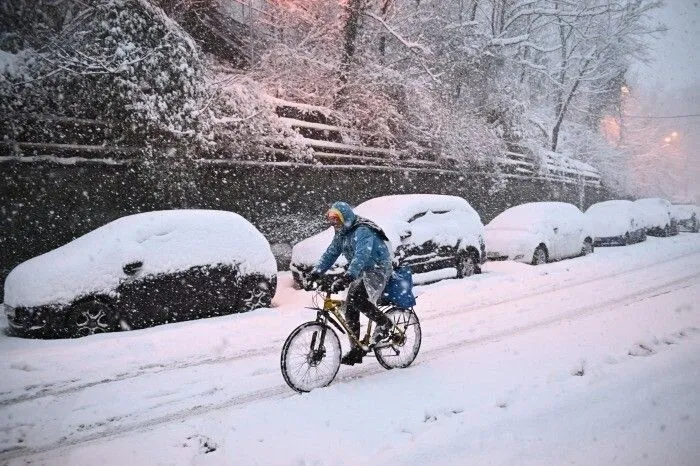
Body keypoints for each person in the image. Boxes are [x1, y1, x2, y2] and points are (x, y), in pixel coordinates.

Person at [308, 201, 394, 365]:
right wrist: (316, 272)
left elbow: (362, 255)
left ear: (345, 217)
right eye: (331, 219)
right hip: (362, 270)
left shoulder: (362, 230)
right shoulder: (342, 233)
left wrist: (348, 276)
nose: (334, 223)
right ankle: (356, 348)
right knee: (349, 306)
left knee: (357, 299)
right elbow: (331, 253)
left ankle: (384, 323)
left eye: (336, 219)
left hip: (378, 268)